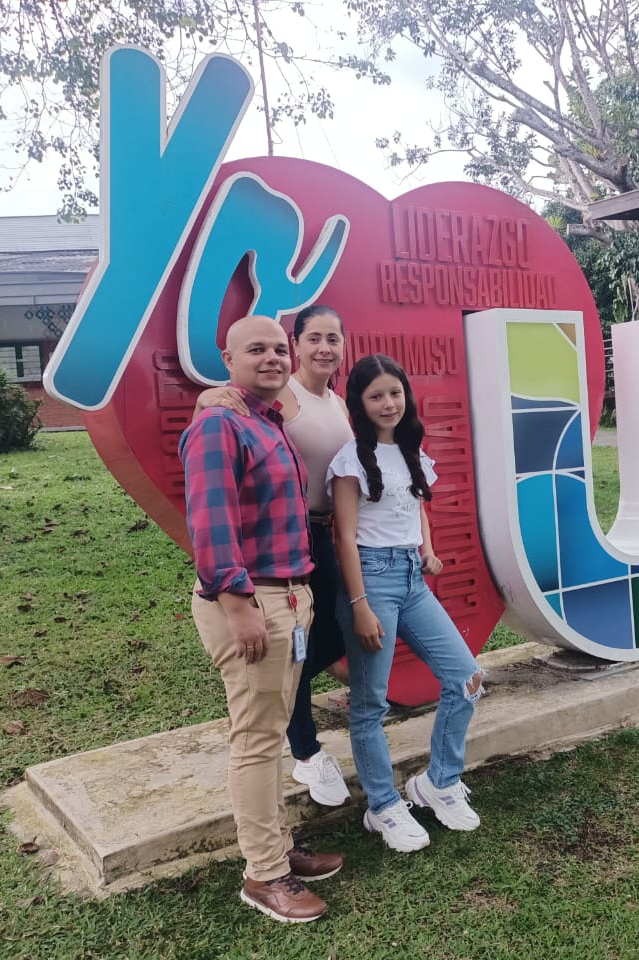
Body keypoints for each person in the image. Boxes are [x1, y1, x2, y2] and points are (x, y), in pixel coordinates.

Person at [180, 314, 343, 924]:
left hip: (287, 594)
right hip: (253, 599)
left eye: (280, 348)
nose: (273, 358)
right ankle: (264, 875)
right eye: (258, 349)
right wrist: (238, 603)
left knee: (270, 733)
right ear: (229, 358)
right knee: (255, 739)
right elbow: (210, 521)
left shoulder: (266, 420)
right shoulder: (220, 423)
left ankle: (274, 847)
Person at [197, 305, 354, 808]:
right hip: (285, 541)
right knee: (297, 651)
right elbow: (225, 408)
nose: (324, 348)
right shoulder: (277, 396)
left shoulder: (339, 402)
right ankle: (305, 750)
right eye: (313, 339)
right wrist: (209, 395)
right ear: (299, 345)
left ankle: (291, 712)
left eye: (334, 338)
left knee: (323, 638)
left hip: (323, 538)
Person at [329, 354, 485, 853]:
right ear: (359, 403)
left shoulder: (413, 449)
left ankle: (437, 783)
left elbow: (416, 504)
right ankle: (383, 806)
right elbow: (345, 538)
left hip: (412, 578)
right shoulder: (351, 459)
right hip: (370, 579)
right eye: (375, 395)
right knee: (371, 702)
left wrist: (429, 548)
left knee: (467, 678)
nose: (387, 403)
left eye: (394, 392)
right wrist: (359, 603)